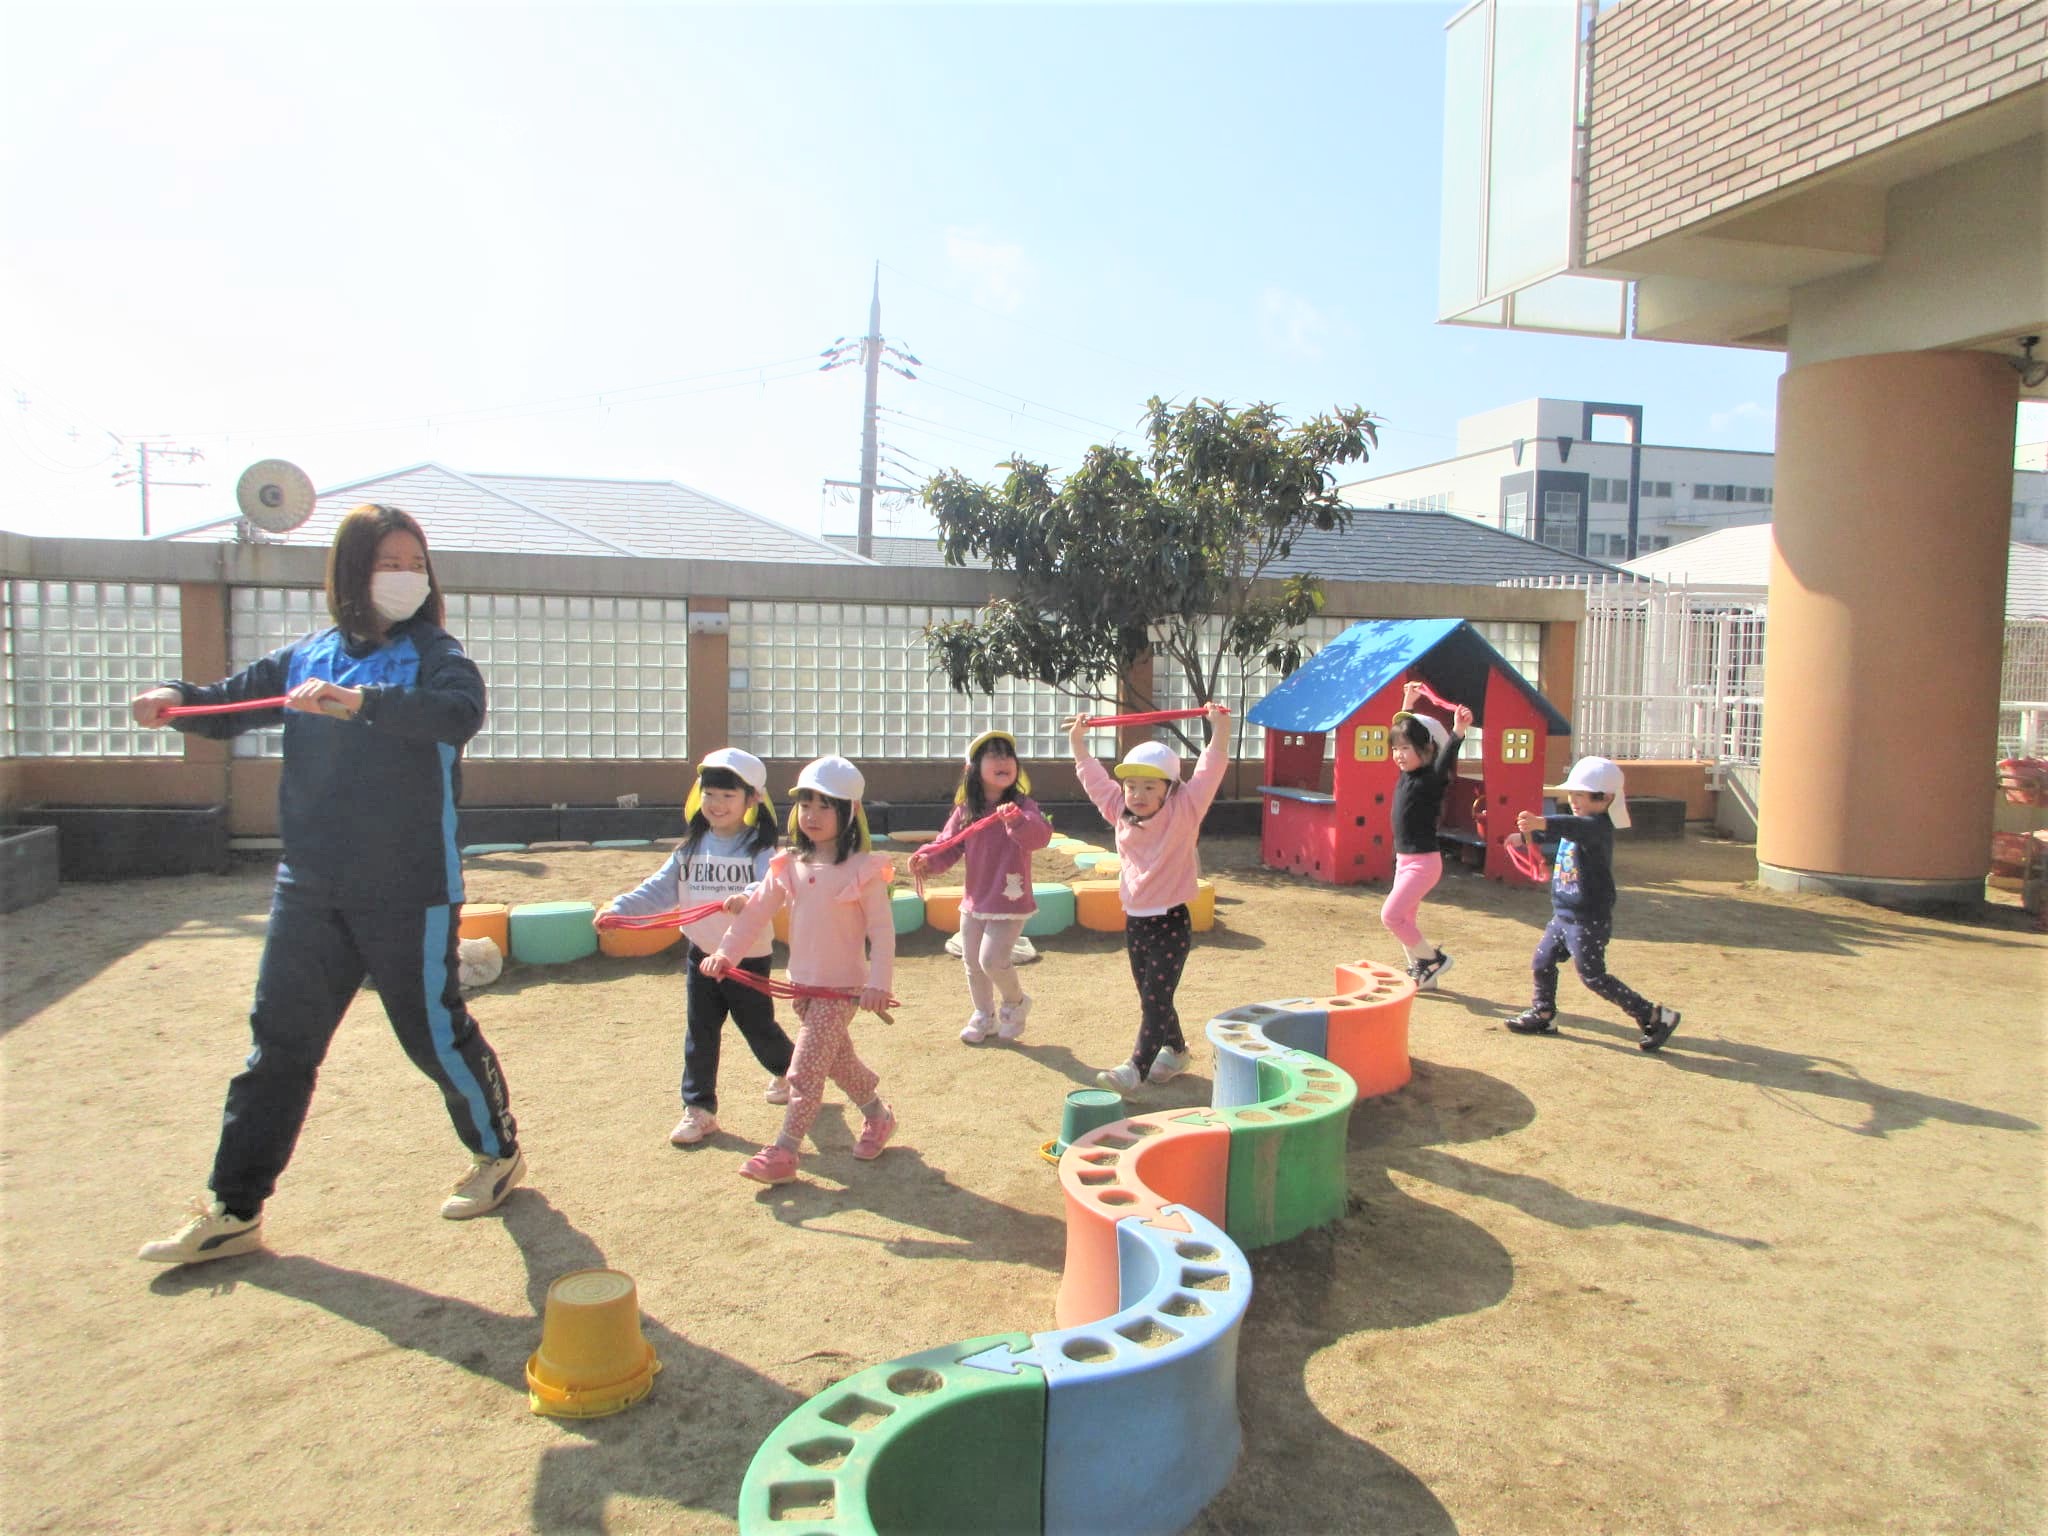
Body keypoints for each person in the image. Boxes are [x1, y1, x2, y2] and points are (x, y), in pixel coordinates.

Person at [133, 503, 521, 1265]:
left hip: (410, 887)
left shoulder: (437, 654)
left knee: (432, 1033)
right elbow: (226, 702)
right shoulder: (306, 656)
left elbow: (459, 713)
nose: (406, 576)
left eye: (416, 564)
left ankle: (497, 1152)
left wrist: (363, 704)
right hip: (309, 887)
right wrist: (172, 700)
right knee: (279, 1045)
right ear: (351, 571)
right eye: (389, 563)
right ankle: (234, 1208)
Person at [701, 755, 897, 1185]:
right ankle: (878, 1115)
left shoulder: (863, 870)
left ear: (851, 811)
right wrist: (726, 954)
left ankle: (784, 1151)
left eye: (825, 805)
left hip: (841, 992)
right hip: (802, 990)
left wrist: (878, 984)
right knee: (838, 1062)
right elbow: (755, 914)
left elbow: (882, 934)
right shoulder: (787, 864)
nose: (812, 814)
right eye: (805, 804)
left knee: (804, 1070)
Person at [602, 747, 794, 1147]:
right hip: (701, 956)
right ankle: (699, 1109)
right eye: (710, 794)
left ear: (752, 799)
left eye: (728, 795)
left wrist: (748, 897)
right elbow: (658, 889)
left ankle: (793, 1073)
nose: (717, 803)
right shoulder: (689, 849)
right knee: (700, 1033)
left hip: (746, 959)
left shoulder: (760, 850)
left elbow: (771, 887)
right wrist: (618, 910)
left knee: (759, 1029)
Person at [1067, 702, 1232, 1096]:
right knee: (1152, 995)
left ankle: (1135, 1069)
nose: (1137, 794)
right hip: (1136, 920)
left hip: (1171, 921)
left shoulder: (1186, 808)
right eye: (1131, 786)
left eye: (1150, 786)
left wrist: (1220, 730)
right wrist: (1078, 744)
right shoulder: (1119, 811)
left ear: (1170, 789)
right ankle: (1176, 1051)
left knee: (1156, 998)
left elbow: (1210, 770)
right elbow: (1095, 781)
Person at [1507, 756, 1682, 1050]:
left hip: (1588, 918)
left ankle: (1654, 1015)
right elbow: (1566, 828)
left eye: (1582, 795)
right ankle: (1544, 1014)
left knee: (1593, 976)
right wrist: (1525, 837)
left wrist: (1540, 822)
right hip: (1563, 915)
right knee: (1542, 961)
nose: (1574, 800)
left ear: (1606, 798)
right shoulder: (1578, 825)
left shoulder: (1598, 827)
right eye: (1572, 794)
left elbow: (1573, 827)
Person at [908, 729, 1054, 1045]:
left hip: (1010, 899)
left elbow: (1039, 836)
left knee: (991, 961)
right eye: (994, 755)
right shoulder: (966, 810)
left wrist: (1016, 820)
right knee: (973, 963)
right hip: (975, 900)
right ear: (974, 768)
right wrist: (927, 860)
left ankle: (1015, 1003)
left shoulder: (1023, 805)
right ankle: (984, 1016)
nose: (1004, 761)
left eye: (1008, 755)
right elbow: (948, 845)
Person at [1383, 683, 1474, 990]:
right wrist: (1408, 702)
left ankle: (1433, 960)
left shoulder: (1432, 779)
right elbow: (1402, 728)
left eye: (1406, 749)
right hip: (1405, 860)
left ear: (1428, 750)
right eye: (1395, 749)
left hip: (1423, 863)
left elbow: (1445, 757)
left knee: (1391, 916)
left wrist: (1458, 731)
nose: (1398, 755)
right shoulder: (1407, 774)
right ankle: (1424, 974)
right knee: (1405, 920)